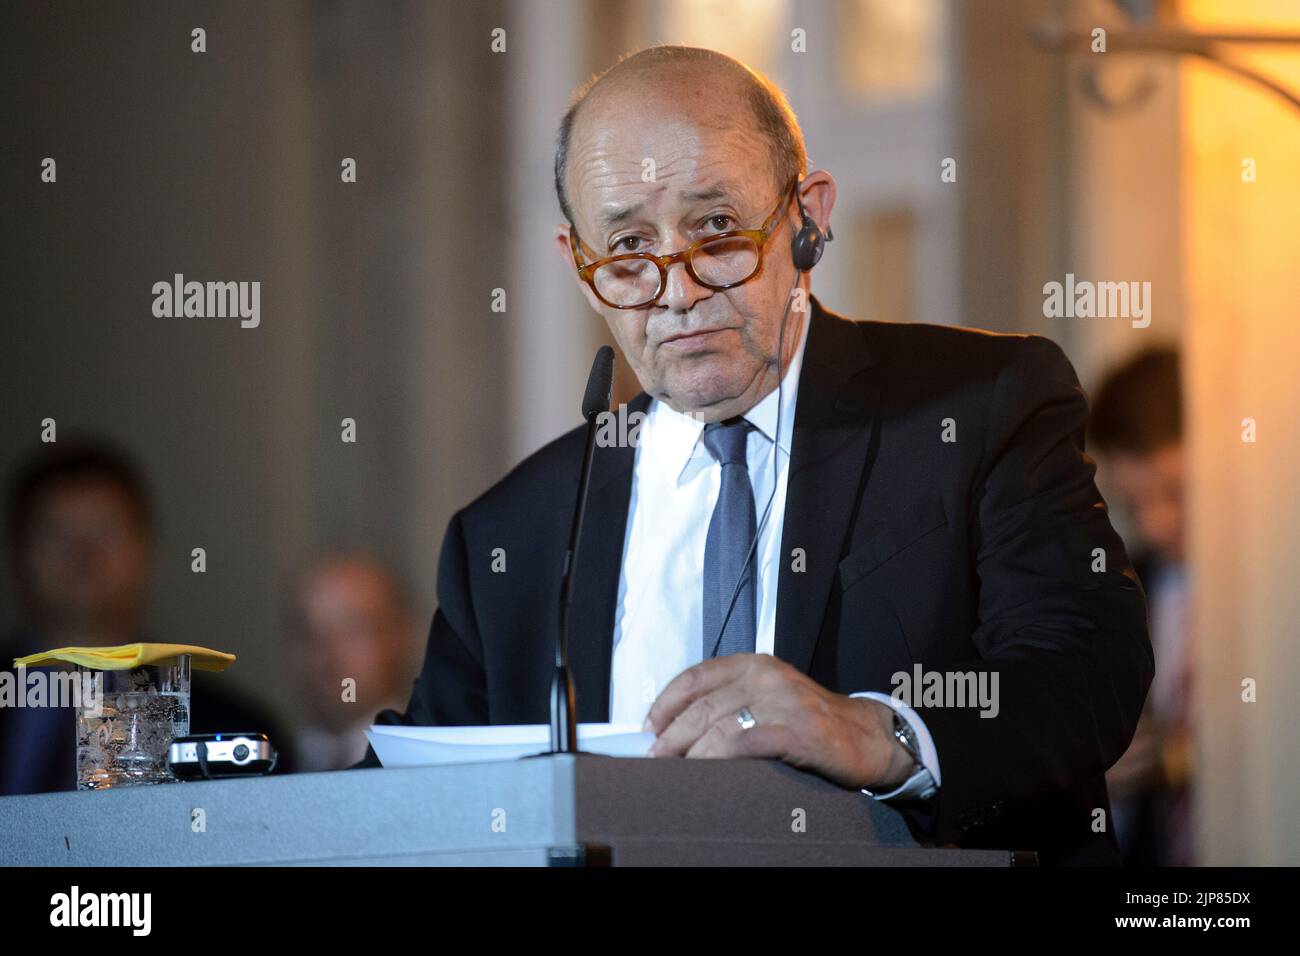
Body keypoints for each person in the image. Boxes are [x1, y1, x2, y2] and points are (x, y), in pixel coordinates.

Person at [359, 45, 1152, 865]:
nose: (678, 288)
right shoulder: (514, 532)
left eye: (716, 228)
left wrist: (878, 735)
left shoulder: (978, 407)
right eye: (628, 247)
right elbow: (409, 802)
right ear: (579, 266)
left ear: (808, 216)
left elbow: (1089, 669)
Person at [0, 438, 295, 794]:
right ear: (17, 553)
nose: (83, 556)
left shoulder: (230, 728)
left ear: (146, 550)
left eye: (106, 532)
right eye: (56, 534)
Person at [1089, 346, 1192, 865]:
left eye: (1176, 493)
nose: (1154, 524)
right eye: (1134, 504)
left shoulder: (1271, 592)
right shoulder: (1124, 592)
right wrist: (1102, 784)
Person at [288, 553, 421, 772]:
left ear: (403, 636)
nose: (324, 655)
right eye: (306, 632)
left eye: (352, 629)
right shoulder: (267, 758)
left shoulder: (435, 764)